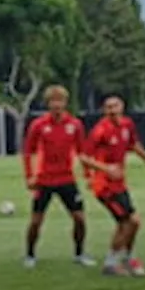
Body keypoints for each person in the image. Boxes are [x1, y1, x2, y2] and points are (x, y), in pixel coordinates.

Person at [86, 93, 145, 277]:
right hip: (104, 186)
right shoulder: (100, 130)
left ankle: (124, 258)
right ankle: (116, 261)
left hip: (119, 184)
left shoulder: (127, 125)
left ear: (122, 107)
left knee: (127, 223)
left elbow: (133, 144)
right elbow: (84, 157)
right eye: (108, 107)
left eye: (115, 106)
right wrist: (105, 169)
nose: (112, 110)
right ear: (104, 110)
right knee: (130, 221)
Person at [21, 85, 95, 269]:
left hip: (67, 179)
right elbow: (27, 152)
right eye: (53, 101)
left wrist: (88, 175)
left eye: (59, 101)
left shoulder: (75, 124)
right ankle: (30, 254)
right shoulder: (38, 125)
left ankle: (79, 253)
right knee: (36, 220)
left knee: (79, 218)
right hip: (44, 179)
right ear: (47, 104)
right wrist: (29, 176)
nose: (56, 105)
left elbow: (81, 151)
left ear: (65, 102)